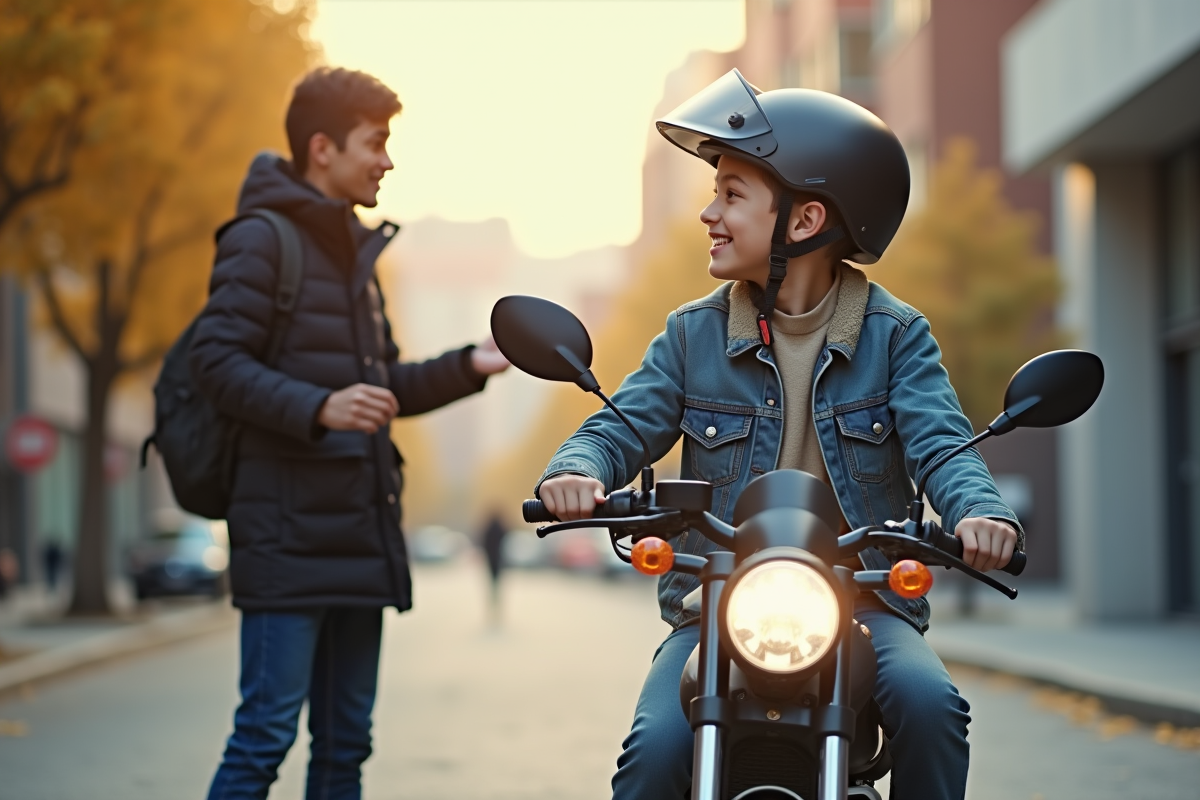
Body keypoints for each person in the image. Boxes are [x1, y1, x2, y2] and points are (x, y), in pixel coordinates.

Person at [535, 70, 1021, 800]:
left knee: (933, 709)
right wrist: (576, 470)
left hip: (863, 604)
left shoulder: (896, 337)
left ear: (803, 220)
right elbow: (621, 424)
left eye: (732, 194)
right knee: (651, 756)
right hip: (721, 605)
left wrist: (979, 514)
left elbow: (941, 444)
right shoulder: (691, 334)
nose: (709, 213)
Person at [190, 66, 509, 800]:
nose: (387, 160)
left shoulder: (356, 261)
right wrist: (317, 407)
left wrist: (470, 365)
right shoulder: (261, 241)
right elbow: (215, 361)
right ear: (323, 148)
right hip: (286, 539)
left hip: (358, 537)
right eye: (376, 142)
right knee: (264, 736)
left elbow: (382, 389)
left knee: (346, 747)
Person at [478, 512, 507, 619]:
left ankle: (492, 606)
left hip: (491, 559)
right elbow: (506, 537)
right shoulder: (500, 528)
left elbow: (483, 542)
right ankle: (496, 606)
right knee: (497, 584)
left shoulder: (488, 529)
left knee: (492, 584)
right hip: (498, 559)